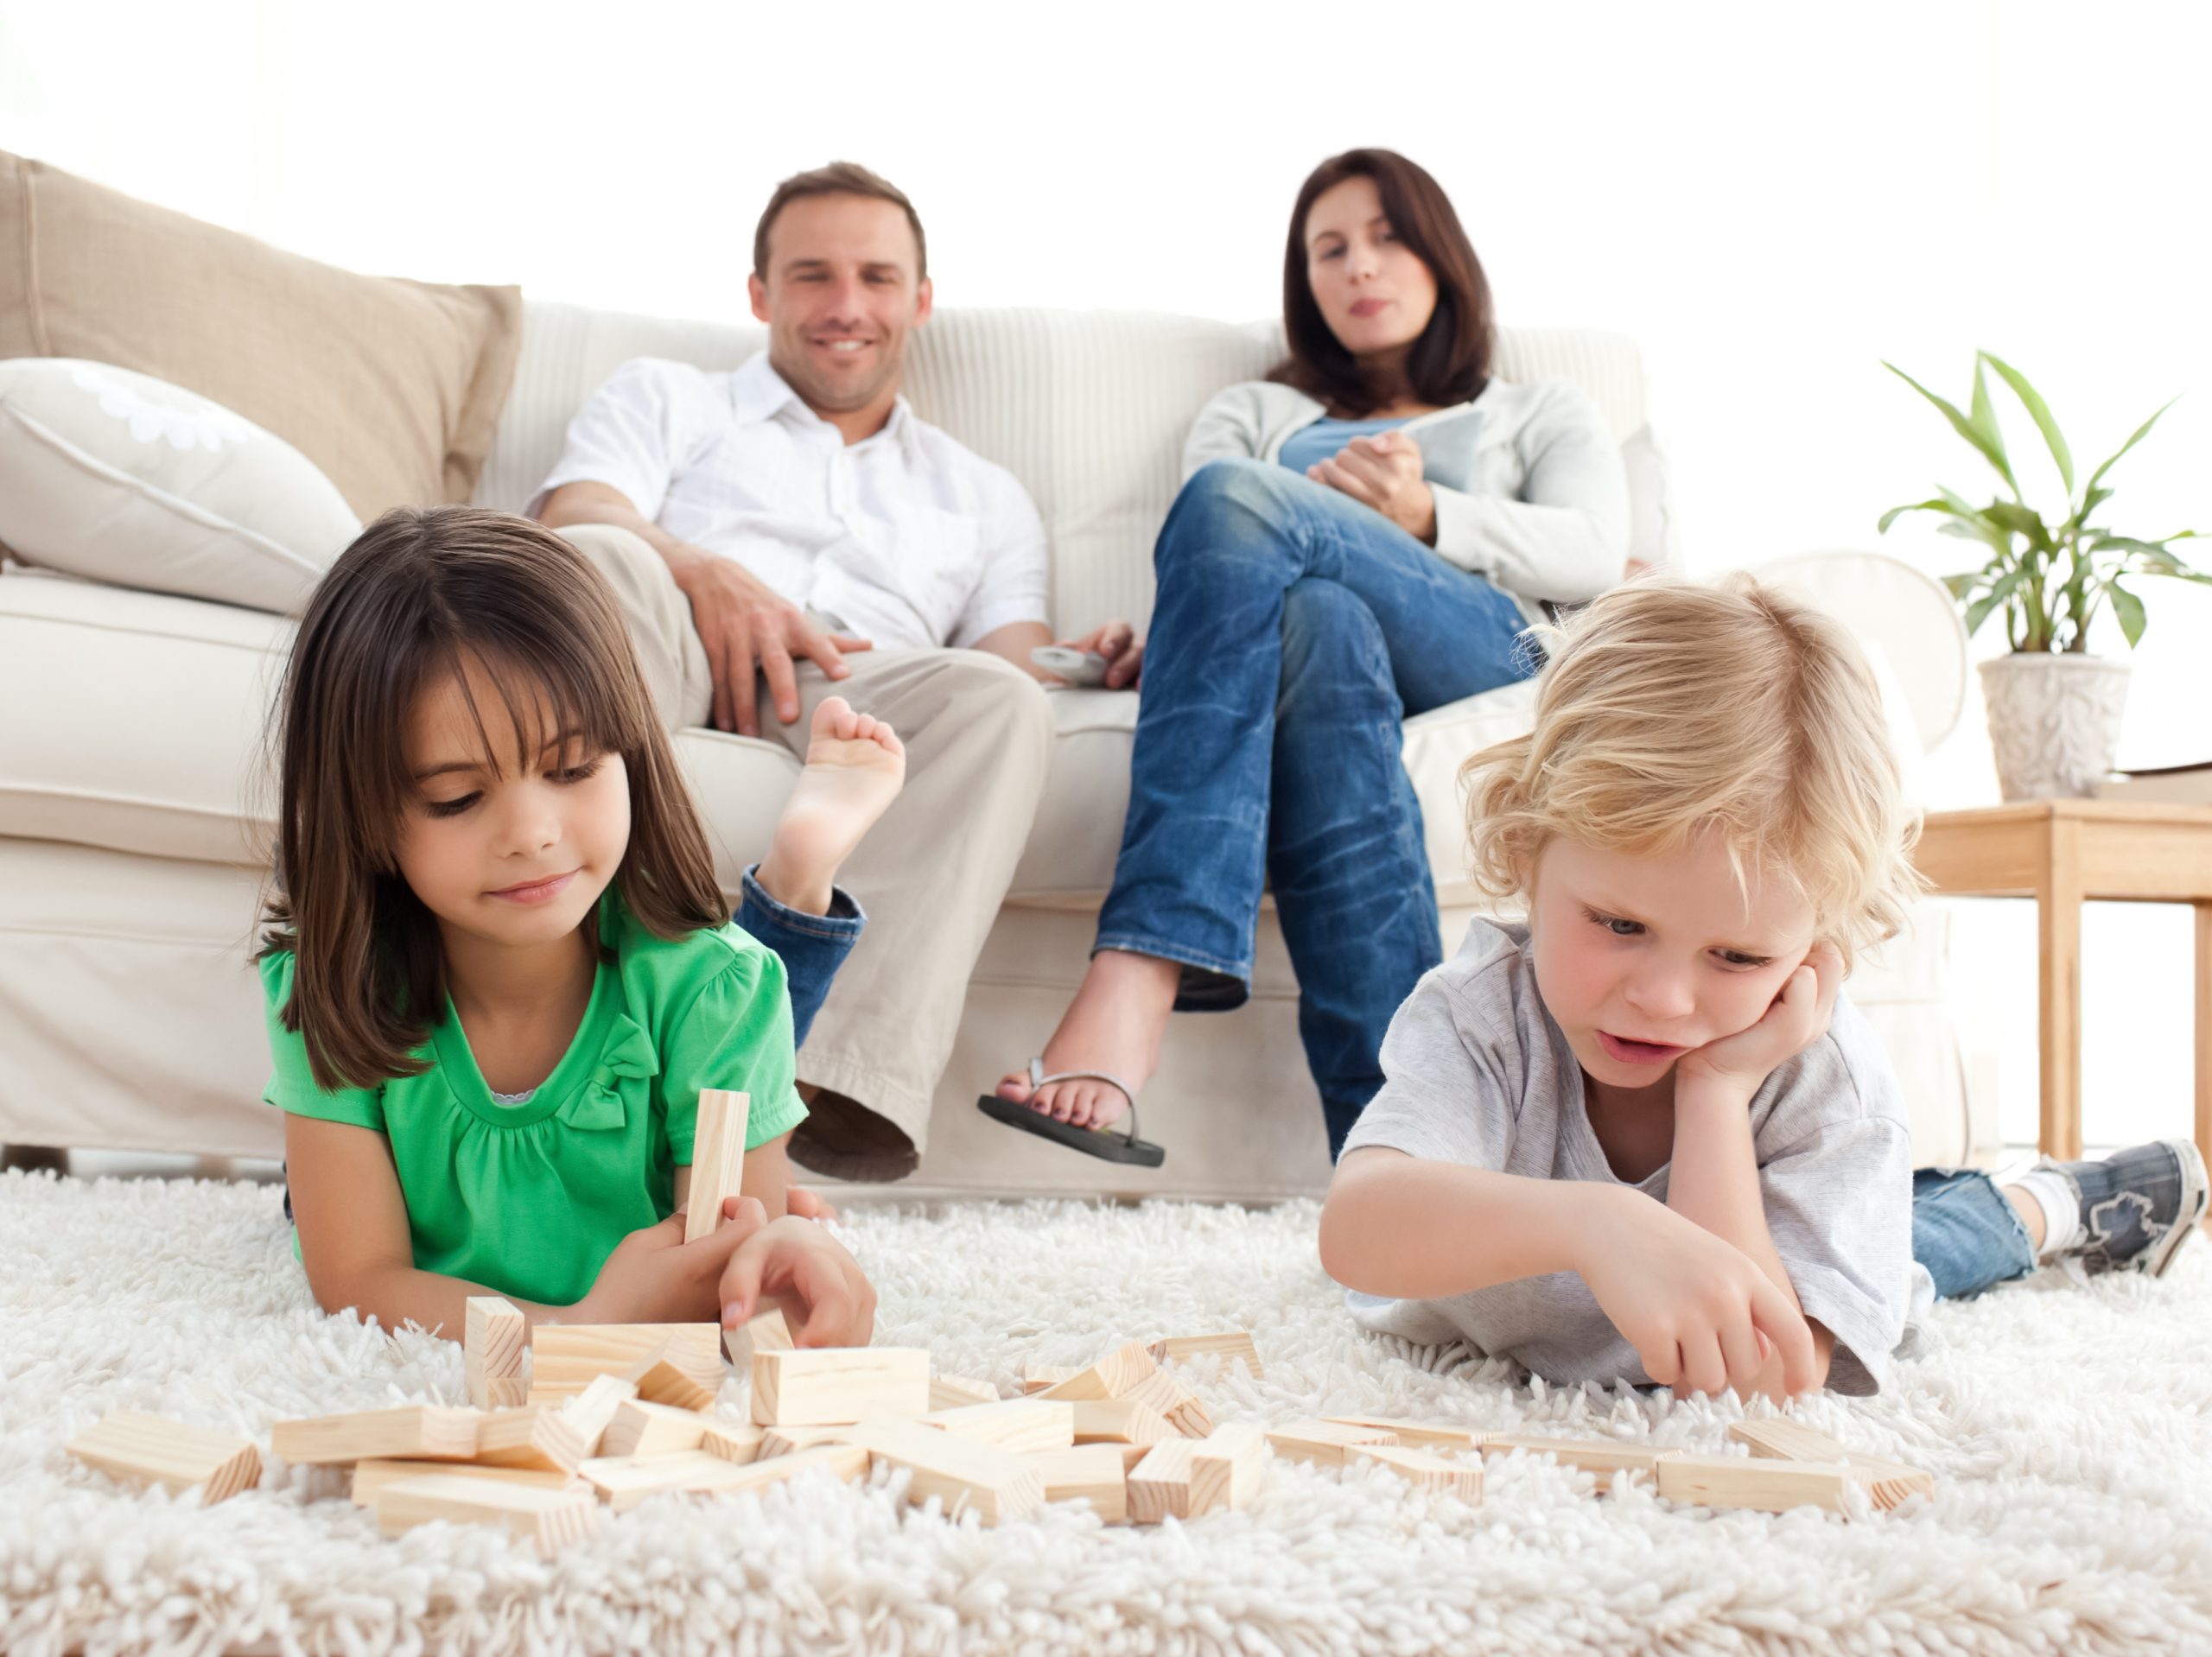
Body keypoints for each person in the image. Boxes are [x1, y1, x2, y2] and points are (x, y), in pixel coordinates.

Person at [1316, 577, 2206, 1403]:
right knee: (1902, 1234)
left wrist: (1714, 1089)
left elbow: (1766, 1376)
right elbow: (1357, 1227)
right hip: (1652, 1235)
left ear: (1815, 945)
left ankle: (2051, 1204)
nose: (1663, 999)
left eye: (1736, 958)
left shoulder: (1826, 1082)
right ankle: (2029, 1196)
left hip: (1795, 1227)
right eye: (1619, 925)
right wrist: (1598, 1222)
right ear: (1524, 852)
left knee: (1917, 1258)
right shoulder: (1484, 1011)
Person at [988, 148, 1631, 1164]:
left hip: (1485, 643)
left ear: (1440, 257)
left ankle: (1142, 967)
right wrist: (1165, 637)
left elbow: (1592, 549)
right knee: (1321, 623)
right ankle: (1401, 1149)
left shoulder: (1534, 413)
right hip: (1310, 653)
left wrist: (1423, 512)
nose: (1358, 268)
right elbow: (1211, 572)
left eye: (1385, 238)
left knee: (1237, 497)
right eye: (1328, 250)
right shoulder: (1255, 415)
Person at [533, 162, 1134, 1184]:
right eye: (812, 275)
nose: (846, 306)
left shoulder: (981, 493)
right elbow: (574, 514)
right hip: (672, 640)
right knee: (601, 563)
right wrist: (703, 571)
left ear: (921, 300)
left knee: (997, 702)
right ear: (760, 293)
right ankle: (526, 1017)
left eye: (877, 278)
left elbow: (1007, 667)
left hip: (860, 682)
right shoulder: (670, 396)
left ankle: (819, 1082)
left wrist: (1089, 666)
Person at [263, 507, 906, 1346]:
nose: (531, 834)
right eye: (457, 797)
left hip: (689, 991)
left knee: (739, 991)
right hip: (402, 1101)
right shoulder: (327, 986)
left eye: (572, 768)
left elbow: (720, 1283)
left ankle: (794, 888)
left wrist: (773, 1259)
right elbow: (356, 1276)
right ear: (366, 818)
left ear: (629, 752)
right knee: (304, 1207)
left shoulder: (716, 991)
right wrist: (578, 1328)